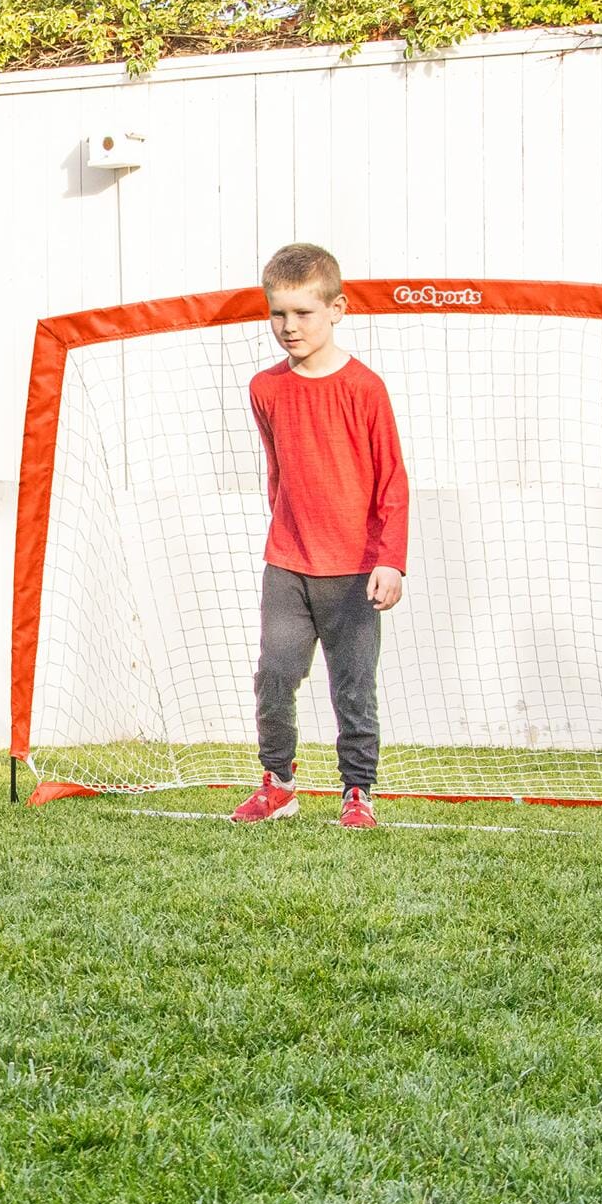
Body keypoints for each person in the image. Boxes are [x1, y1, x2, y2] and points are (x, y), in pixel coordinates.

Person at [233, 242, 408, 831]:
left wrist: (391, 560)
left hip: (355, 570)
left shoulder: (365, 388)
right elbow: (279, 473)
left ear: (338, 309)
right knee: (275, 674)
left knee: (353, 687)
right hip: (287, 566)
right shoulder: (265, 388)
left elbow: (392, 482)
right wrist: (288, 534)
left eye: (304, 313)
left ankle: (357, 792)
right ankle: (278, 783)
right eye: (278, 313)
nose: (289, 326)